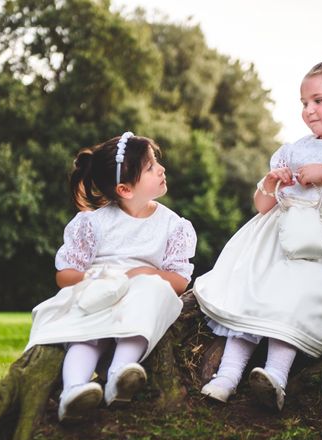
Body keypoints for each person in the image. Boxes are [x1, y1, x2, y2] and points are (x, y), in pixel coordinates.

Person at [193, 60, 322, 411]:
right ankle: (226, 375)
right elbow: (262, 206)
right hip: (280, 234)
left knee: (294, 298)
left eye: (319, 100)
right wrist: (270, 184)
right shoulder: (293, 148)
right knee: (252, 293)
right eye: (304, 103)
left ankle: (275, 376)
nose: (309, 110)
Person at [25, 132, 197, 422]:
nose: (161, 168)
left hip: (140, 298)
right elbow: (65, 275)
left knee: (150, 295)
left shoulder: (172, 226)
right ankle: (73, 392)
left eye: (157, 162)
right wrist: (98, 279)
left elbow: (180, 281)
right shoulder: (94, 223)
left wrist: (149, 274)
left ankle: (120, 374)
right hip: (99, 293)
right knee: (87, 337)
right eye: (150, 166)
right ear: (125, 189)